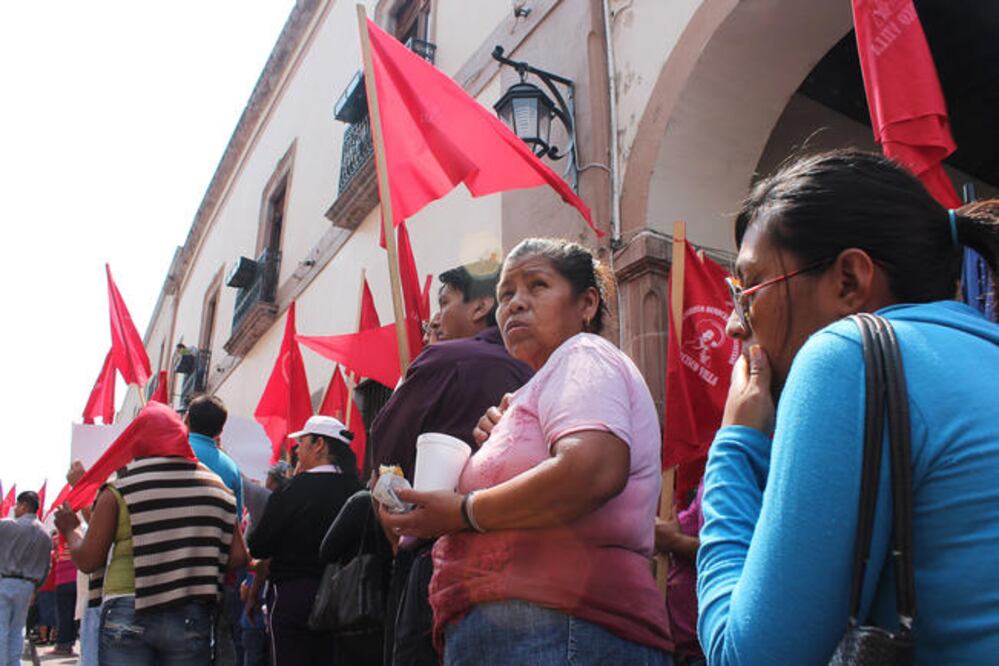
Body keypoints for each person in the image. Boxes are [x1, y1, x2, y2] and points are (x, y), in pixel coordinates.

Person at [696, 150, 999, 664]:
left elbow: (745, 656)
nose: (733, 324)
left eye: (749, 290)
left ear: (849, 282)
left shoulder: (846, 355)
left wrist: (735, 445)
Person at [381, 238, 673, 665]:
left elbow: (592, 469)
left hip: (563, 625)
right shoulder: (532, 389)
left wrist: (463, 510)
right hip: (518, 632)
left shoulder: (584, 354)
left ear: (587, 303)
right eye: (506, 294)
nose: (515, 304)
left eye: (537, 286)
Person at [369, 260, 534, 666]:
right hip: (531, 565)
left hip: (439, 559)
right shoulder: (543, 371)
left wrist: (390, 508)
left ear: (480, 307)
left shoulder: (444, 359)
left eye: (443, 302)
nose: (436, 318)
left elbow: (387, 455)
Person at [54, 402, 248, 665]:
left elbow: (89, 560)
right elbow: (237, 556)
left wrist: (70, 529)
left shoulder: (120, 489)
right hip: (191, 612)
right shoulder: (220, 490)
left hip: (127, 608)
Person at [246, 415, 362, 666]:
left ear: (319, 444)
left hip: (293, 597)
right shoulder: (358, 491)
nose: (296, 450)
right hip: (347, 601)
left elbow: (259, 546)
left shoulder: (291, 491)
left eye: (302, 442)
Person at [185, 394, 245, 666]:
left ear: (186, 419)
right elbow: (235, 524)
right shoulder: (230, 468)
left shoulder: (170, 452)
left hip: (163, 571)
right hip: (215, 575)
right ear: (220, 430)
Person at [0, 490, 52, 666]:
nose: (15, 508)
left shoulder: (7, 526)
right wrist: (36, 590)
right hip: (28, 586)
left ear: (23, 505)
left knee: (1, 628)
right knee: (17, 629)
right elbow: (47, 566)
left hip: (5, 581)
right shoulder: (45, 534)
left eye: (17, 504)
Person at [656, 482, 705, 666]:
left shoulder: (736, 475)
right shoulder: (707, 477)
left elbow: (730, 551)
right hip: (676, 646)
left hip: (702, 650)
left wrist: (675, 542)